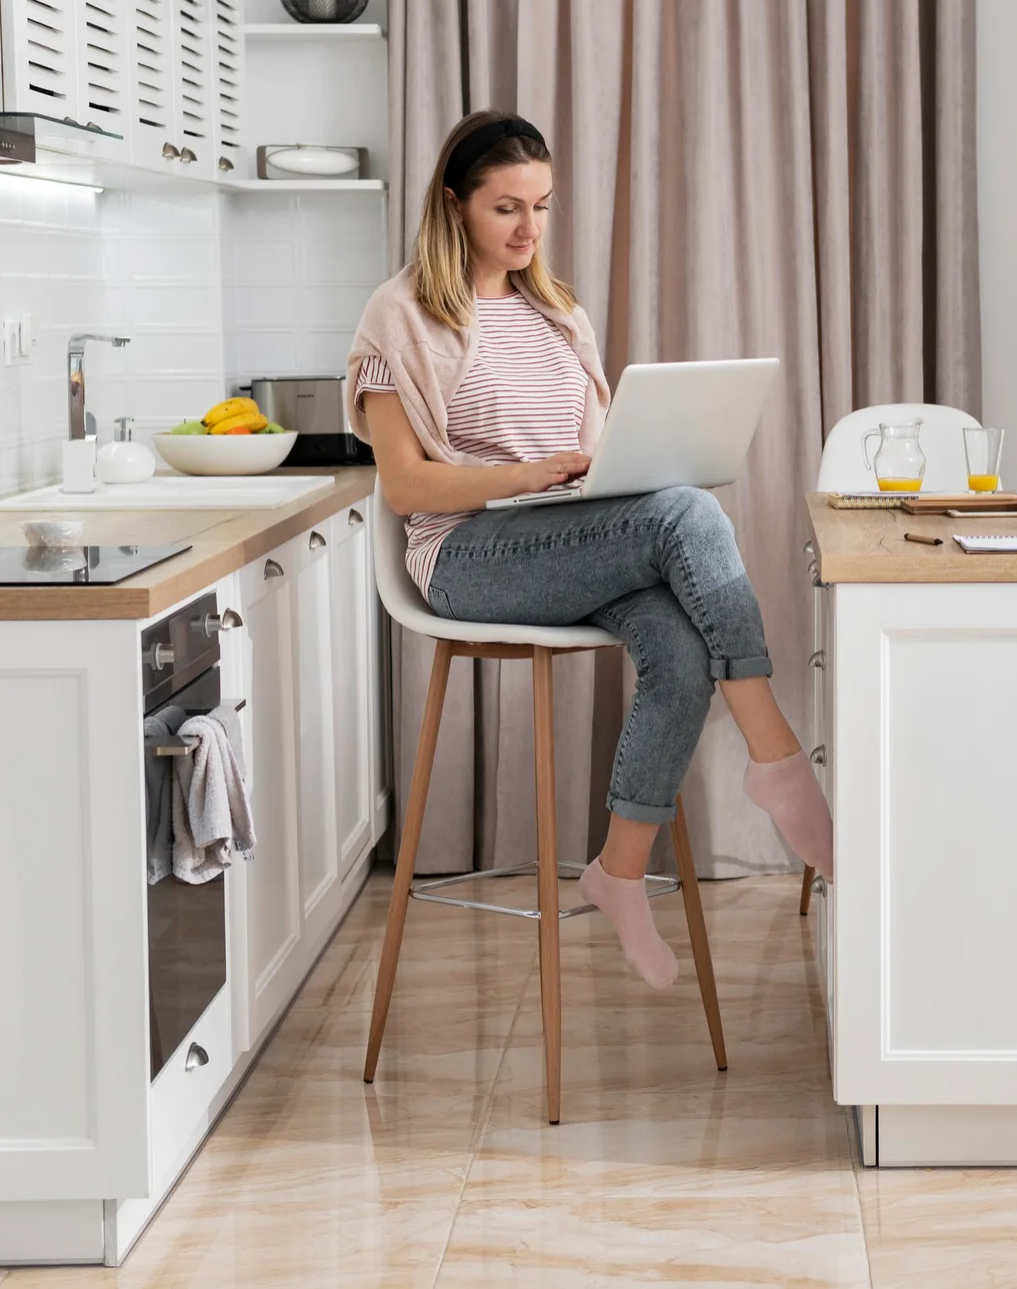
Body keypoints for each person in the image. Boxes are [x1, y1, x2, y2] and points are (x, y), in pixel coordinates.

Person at [344, 110, 832, 988]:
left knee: (681, 649)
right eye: (506, 209)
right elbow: (409, 486)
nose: (530, 229)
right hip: (466, 555)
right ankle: (778, 756)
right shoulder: (401, 315)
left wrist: (610, 471)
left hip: (570, 538)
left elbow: (598, 450)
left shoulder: (558, 312)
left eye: (542, 205)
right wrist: (529, 476)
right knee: (684, 514)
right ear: (454, 206)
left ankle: (617, 871)